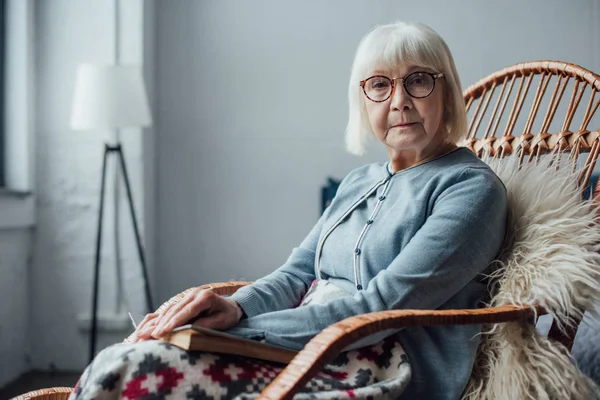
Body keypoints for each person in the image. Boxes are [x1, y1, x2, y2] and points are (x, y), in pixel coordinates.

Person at [73, 21, 507, 400]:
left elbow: (382, 307)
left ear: (446, 92)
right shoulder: (359, 181)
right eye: (380, 83)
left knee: (140, 370)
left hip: (380, 365)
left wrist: (238, 334)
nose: (399, 100)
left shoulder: (470, 189)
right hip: (302, 343)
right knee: (123, 357)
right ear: (364, 100)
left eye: (418, 80)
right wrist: (236, 308)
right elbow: (297, 273)